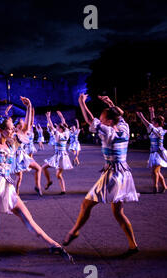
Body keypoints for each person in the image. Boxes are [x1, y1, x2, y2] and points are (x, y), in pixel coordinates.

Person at [0, 93, 73, 264]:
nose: (12, 131)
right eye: (9, 128)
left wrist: (29, 108)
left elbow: (26, 129)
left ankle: (54, 244)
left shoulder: (12, 143)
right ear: (0, 130)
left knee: (28, 218)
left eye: (12, 128)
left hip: (7, 187)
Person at [63, 94, 139, 255]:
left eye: (103, 118)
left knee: (86, 204)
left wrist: (82, 103)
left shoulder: (108, 131)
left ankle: (74, 231)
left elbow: (91, 120)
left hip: (113, 174)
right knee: (118, 212)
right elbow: (119, 116)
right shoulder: (124, 128)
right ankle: (133, 245)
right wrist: (111, 103)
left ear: (109, 122)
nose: (100, 120)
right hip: (124, 173)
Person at [8, 102, 43, 196]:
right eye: (22, 123)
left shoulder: (22, 132)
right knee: (19, 177)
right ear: (18, 125)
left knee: (38, 168)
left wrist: (29, 108)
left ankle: (37, 186)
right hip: (16, 157)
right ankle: (16, 192)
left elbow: (29, 123)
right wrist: (6, 113)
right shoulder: (13, 133)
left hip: (23, 155)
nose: (24, 124)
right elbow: (7, 123)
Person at [41, 111, 73, 195]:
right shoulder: (66, 134)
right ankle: (63, 190)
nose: (57, 128)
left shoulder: (58, 134)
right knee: (58, 175)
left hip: (59, 156)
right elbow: (65, 125)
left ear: (60, 129)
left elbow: (52, 127)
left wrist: (48, 117)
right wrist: (62, 117)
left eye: (58, 127)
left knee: (44, 168)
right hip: (61, 156)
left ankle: (49, 182)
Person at [136, 106, 167, 193]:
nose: (152, 123)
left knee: (154, 171)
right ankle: (164, 186)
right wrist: (151, 112)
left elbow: (149, 125)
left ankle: (155, 187)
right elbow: (150, 124)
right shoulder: (155, 129)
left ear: (157, 124)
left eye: (154, 122)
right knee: (157, 171)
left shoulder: (160, 131)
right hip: (154, 152)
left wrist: (141, 117)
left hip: (159, 153)